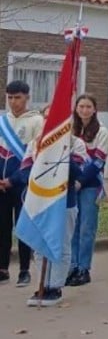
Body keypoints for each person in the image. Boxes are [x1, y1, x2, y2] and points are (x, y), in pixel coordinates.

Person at [10, 106, 88, 307]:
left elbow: (79, 172)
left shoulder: (76, 144)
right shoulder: (35, 144)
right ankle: (42, 284)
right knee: (40, 244)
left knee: (61, 244)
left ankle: (55, 286)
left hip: (65, 202)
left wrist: (61, 151)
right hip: (39, 202)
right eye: (47, 118)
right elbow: (24, 171)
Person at [0, 80, 44, 286]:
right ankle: (2, 268)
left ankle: (24, 269)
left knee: (23, 226)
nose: (13, 102)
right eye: (10, 97)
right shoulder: (2, 121)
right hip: (1, 185)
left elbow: (35, 156)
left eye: (17, 97)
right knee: (2, 227)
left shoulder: (36, 121)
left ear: (27, 97)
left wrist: (13, 179)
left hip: (22, 184)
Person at [66, 94, 108, 287]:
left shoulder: (102, 131)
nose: (84, 110)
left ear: (94, 109)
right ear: (76, 109)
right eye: (81, 106)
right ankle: (72, 266)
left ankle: (84, 268)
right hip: (71, 184)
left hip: (91, 185)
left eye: (88, 107)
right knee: (73, 227)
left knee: (87, 228)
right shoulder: (70, 130)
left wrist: (81, 181)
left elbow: (98, 162)